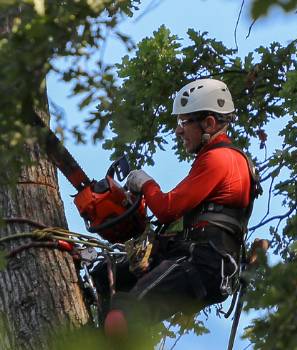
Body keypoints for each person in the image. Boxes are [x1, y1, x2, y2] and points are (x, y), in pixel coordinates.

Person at [93, 78, 261, 342]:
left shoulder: (221, 159)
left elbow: (168, 209)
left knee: (127, 314)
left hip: (205, 261)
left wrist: (145, 183)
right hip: (191, 252)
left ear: (209, 124)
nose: (179, 131)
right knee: (103, 275)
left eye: (185, 122)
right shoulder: (213, 158)